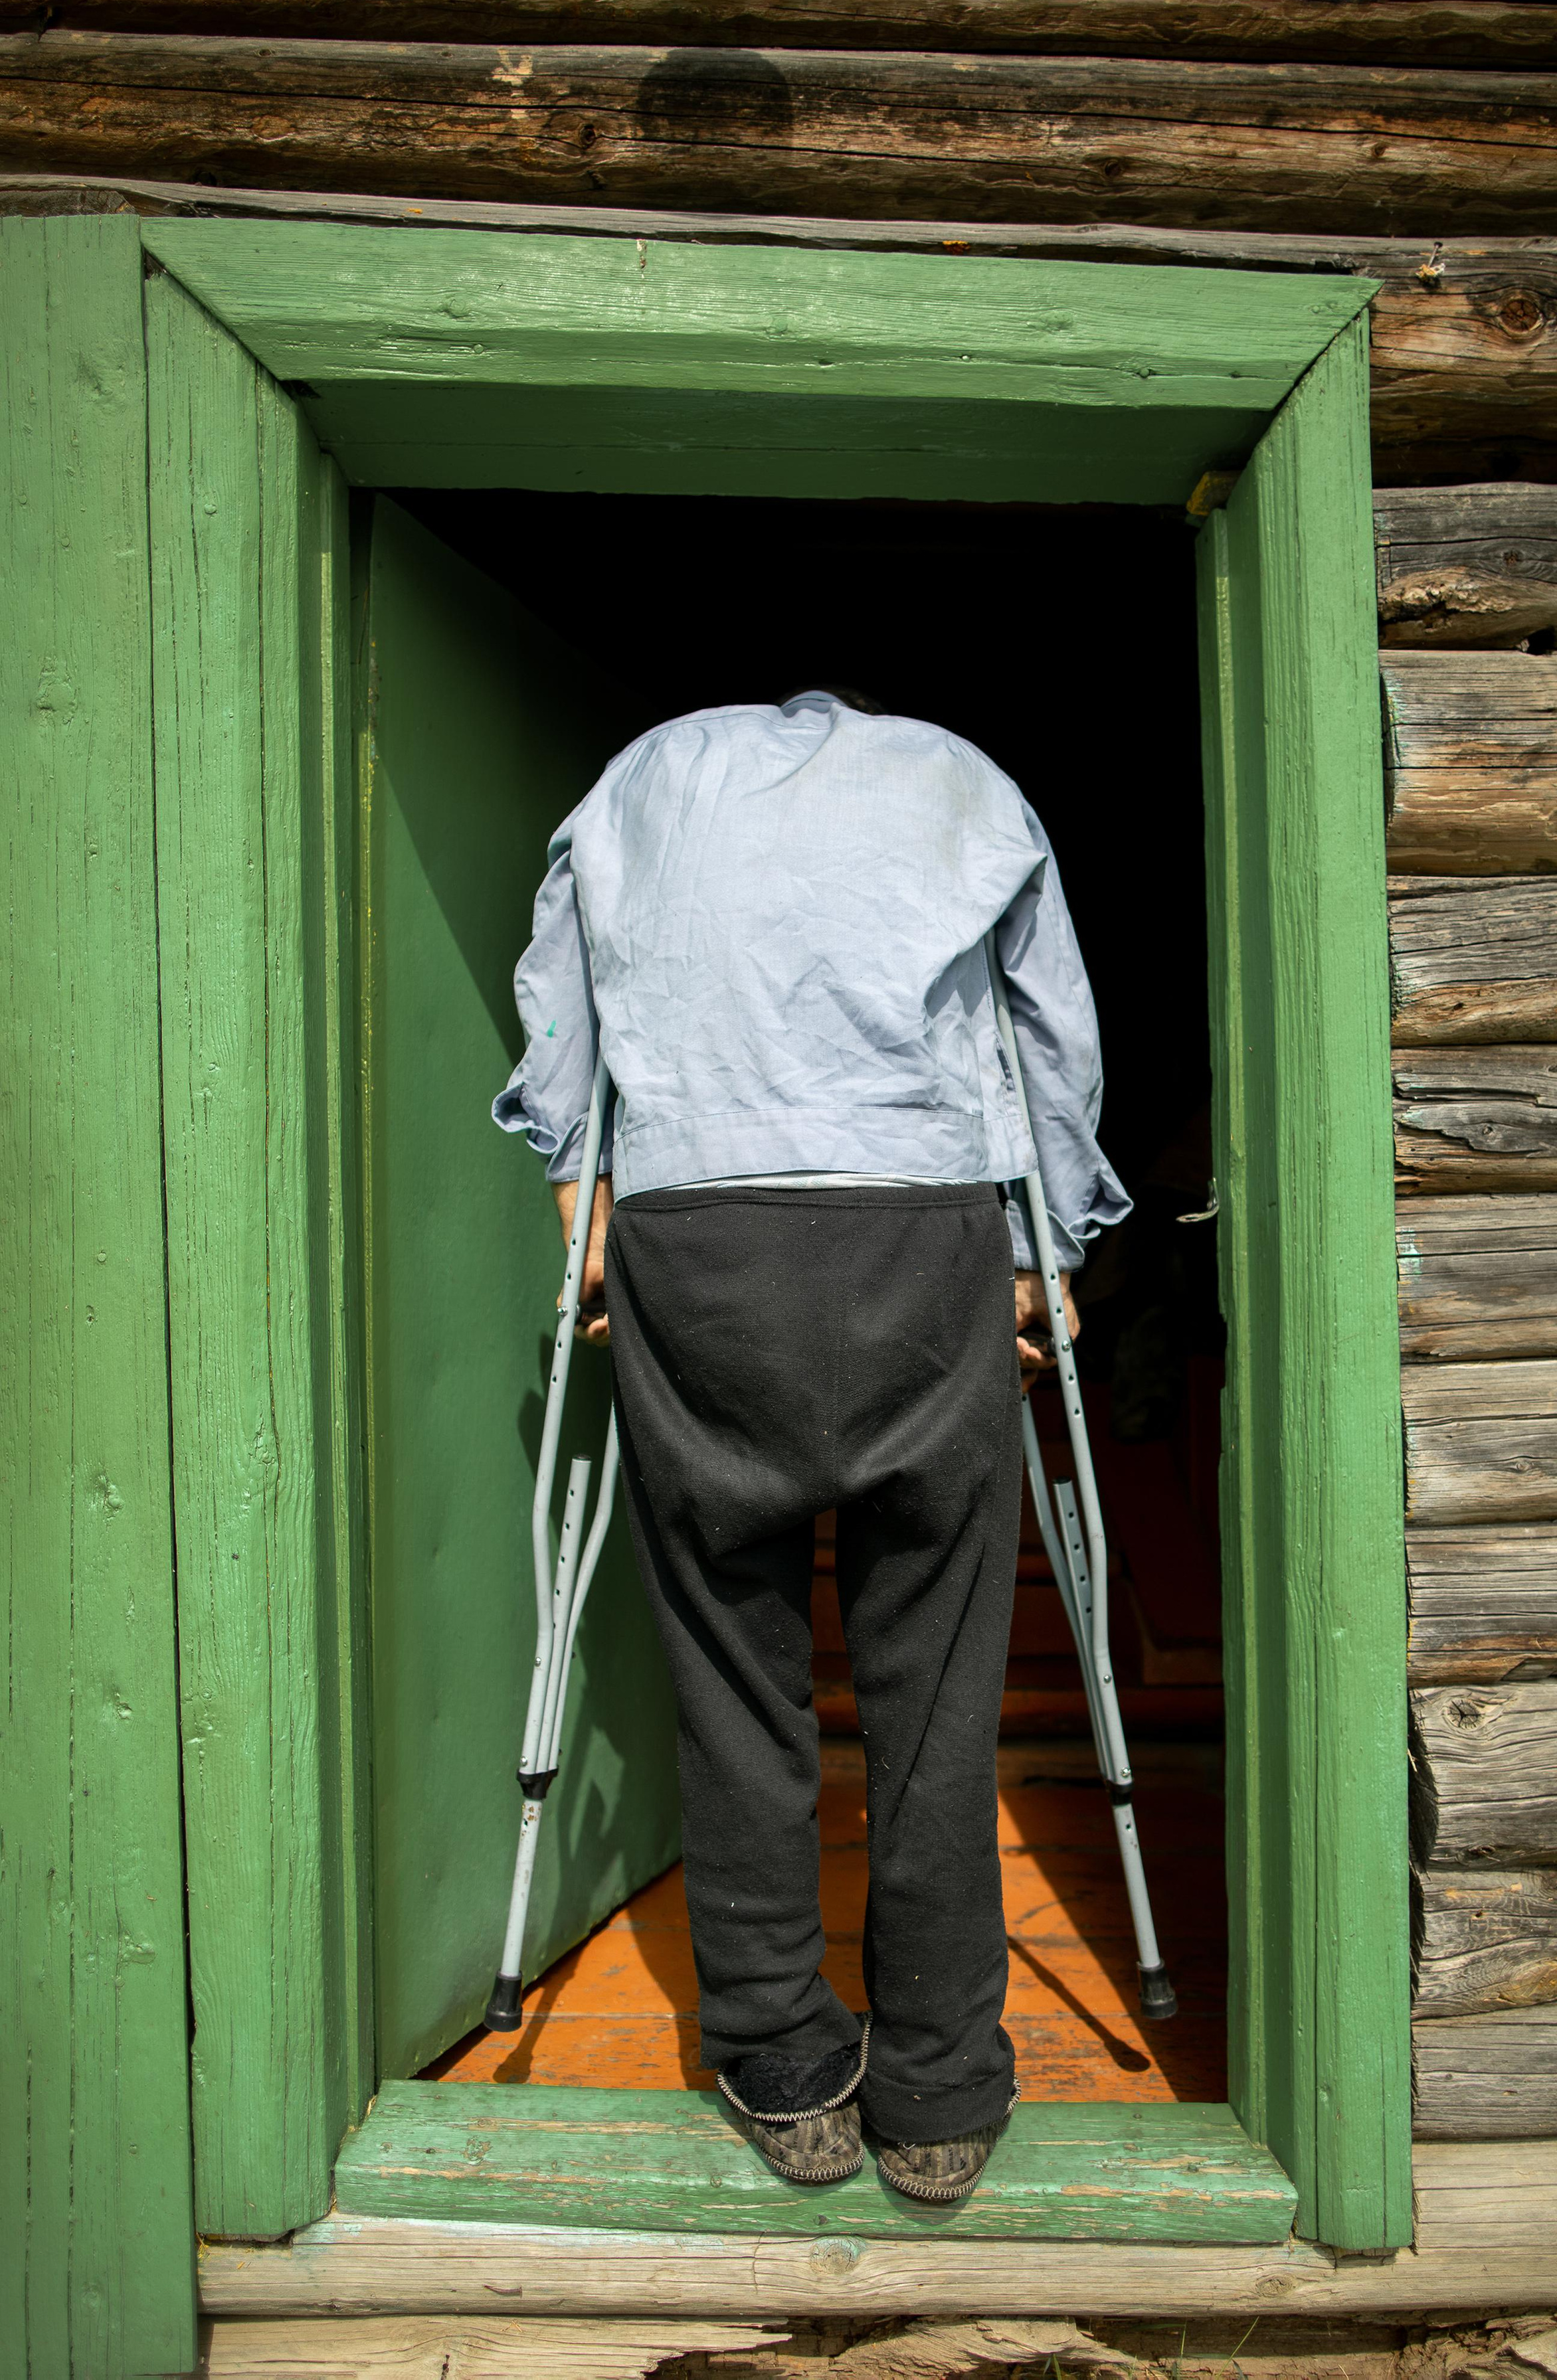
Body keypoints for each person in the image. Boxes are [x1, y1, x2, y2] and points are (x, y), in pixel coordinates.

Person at [494, 687, 1129, 2203]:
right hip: (921, 1234)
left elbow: (560, 986)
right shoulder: (965, 782)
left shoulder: (632, 783)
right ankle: (939, 2088)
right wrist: (1054, 1239)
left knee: (727, 1668)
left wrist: (577, 1199)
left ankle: (777, 2055)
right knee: (935, 1681)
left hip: (693, 1238)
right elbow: (1048, 1016)